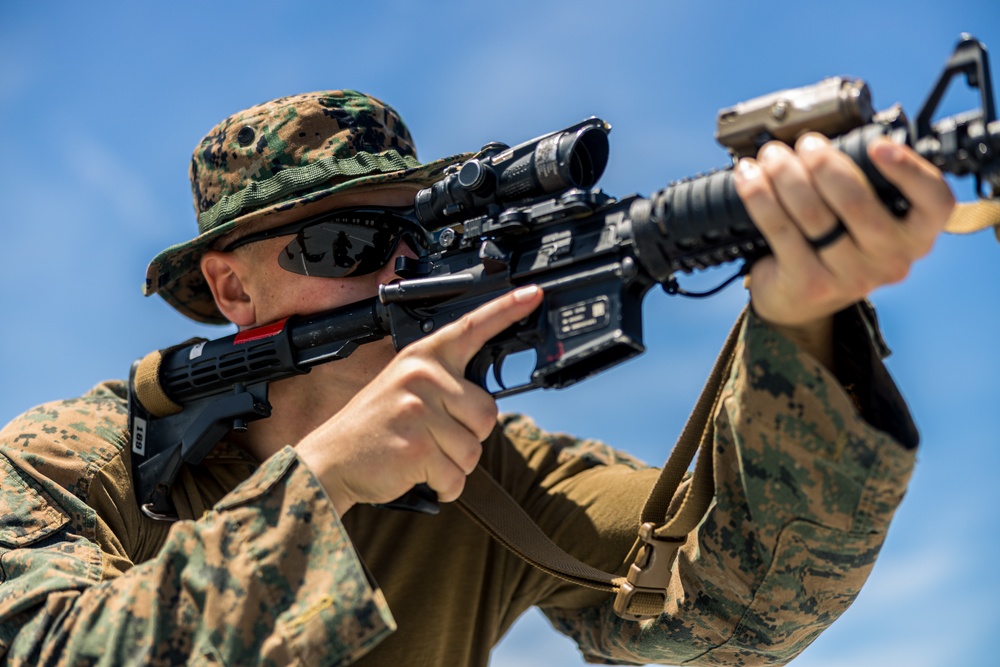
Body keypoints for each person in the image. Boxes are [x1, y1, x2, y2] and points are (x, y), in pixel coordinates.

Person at [0, 90, 954, 666]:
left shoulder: (484, 467)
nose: (396, 272)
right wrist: (321, 485)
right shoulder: (78, 459)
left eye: (417, 236)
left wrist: (804, 316)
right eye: (347, 242)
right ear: (230, 285)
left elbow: (743, 616)